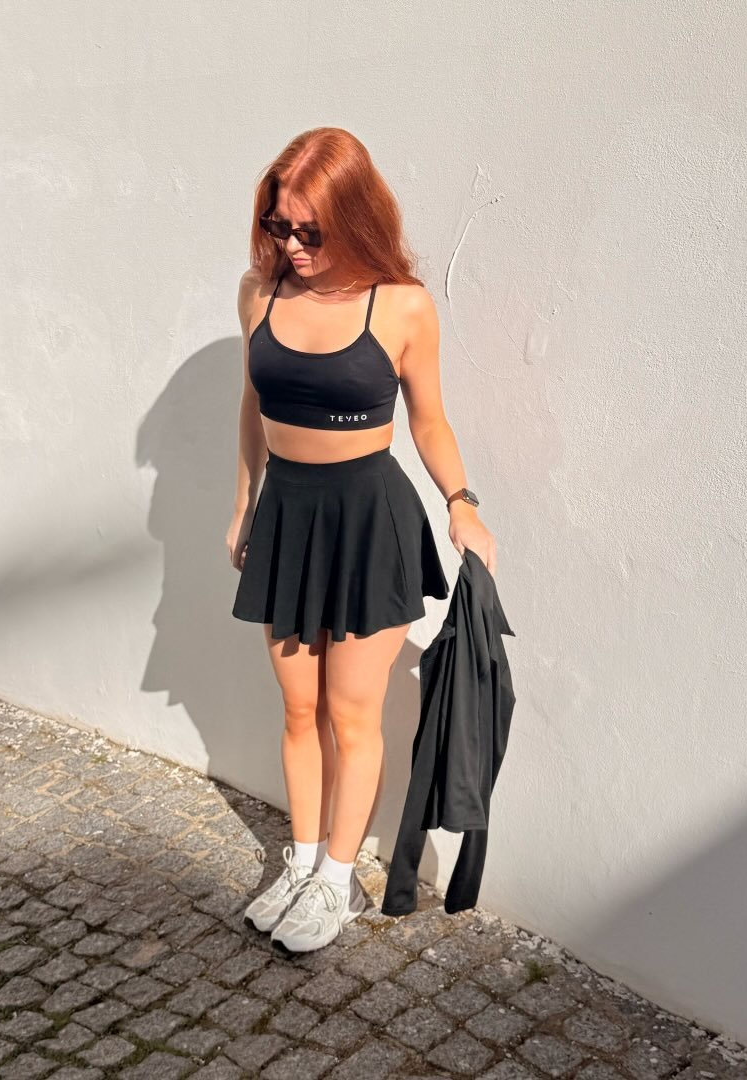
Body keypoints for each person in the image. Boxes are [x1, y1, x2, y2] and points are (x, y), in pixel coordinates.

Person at [227, 127, 497, 953]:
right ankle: (304, 862)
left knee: (351, 713)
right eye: (279, 226)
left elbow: (430, 420)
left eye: (310, 230)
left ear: (354, 217)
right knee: (298, 708)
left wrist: (461, 501)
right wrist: (244, 503)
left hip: (369, 521)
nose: (293, 246)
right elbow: (253, 405)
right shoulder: (259, 293)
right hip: (288, 516)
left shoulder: (401, 305)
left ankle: (338, 880)